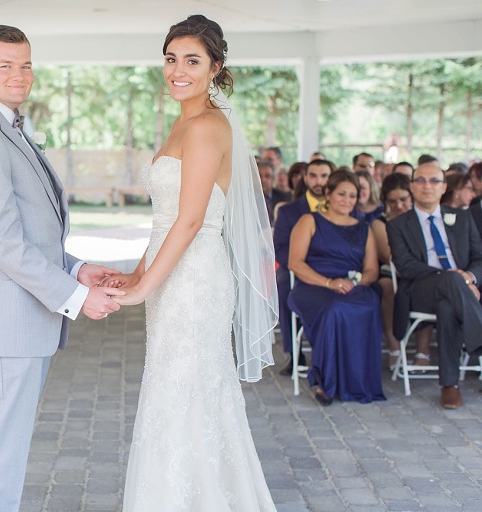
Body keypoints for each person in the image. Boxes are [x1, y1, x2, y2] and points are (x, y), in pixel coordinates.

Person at [103, 15, 277, 510]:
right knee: (176, 394)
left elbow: (190, 220)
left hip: (195, 279)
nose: (178, 70)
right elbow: (164, 222)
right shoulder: (184, 122)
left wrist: (140, 289)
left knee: (184, 393)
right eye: (171, 58)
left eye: (192, 61)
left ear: (215, 68)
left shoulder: (205, 127)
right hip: (172, 273)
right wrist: (139, 273)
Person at [0, 25, 123, 512]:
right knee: (0, 452)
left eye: (25, 64)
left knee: (8, 446)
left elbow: (30, 232)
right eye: (5, 64)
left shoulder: (10, 127)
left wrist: (78, 268)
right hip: (6, 320)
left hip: (22, 317)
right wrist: (75, 297)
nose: (18, 75)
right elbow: (2, 240)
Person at [387, 163, 482, 409]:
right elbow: (406, 266)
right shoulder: (397, 224)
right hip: (420, 290)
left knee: (448, 306)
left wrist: (468, 278)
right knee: (451, 282)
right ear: (411, 186)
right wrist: (456, 279)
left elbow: (479, 258)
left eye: (434, 181)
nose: (427, 186)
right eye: (420, 180)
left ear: (444, 188)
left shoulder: (462, 217)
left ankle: (450, 386)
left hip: (458, 292)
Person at [288, 170, 385, 405]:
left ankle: (359, 382)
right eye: (342, 194)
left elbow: (371, 270)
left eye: (353, 196)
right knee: (334, 307)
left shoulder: (364, 228)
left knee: (369, 302)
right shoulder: (310, 221)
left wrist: (355, 282)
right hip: (313, 285)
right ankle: (327, 382)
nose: (347, 200)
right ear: (328, 193)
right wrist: (329, 283)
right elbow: (295, 263)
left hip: (351, 285)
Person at [274, 159, 333, 375]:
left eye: (324, 176)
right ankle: (294, 353)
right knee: (283, 287)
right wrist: (301, 266)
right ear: (306, 178)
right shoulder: (290, 211)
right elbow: (280, 247)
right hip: (295, 268)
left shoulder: (341, 207)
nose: (319, 181)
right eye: (314, 176)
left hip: (332, 269)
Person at [371, 173, 431, 370]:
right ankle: (395, 347)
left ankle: (423, 350)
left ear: (412, 196)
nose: (399, 206)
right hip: (391, 271)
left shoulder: (424, 218)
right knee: (386, 287)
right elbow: (389, 255)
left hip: (421, 272)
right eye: (392, 201)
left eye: (403, 200)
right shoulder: (380, 222)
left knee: (426, 285)